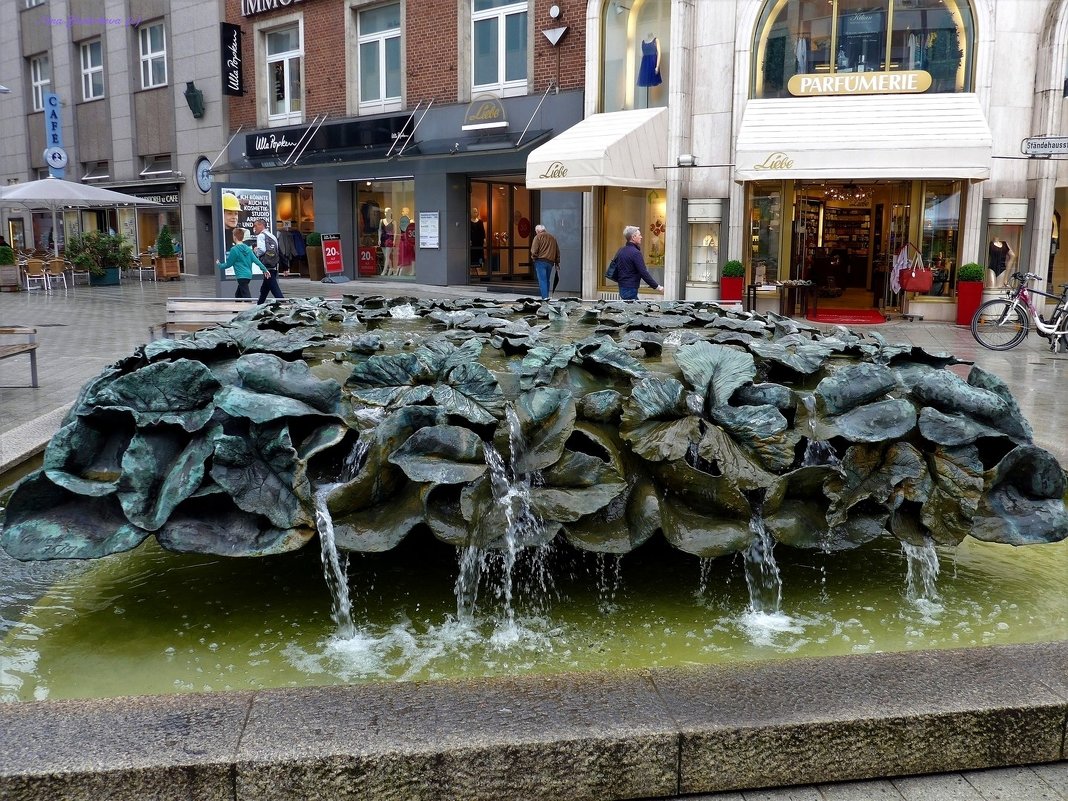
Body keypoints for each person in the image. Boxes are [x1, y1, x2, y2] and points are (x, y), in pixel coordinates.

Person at [613, 225, 663, 301]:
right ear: (633, 237)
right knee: (635, 310)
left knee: (633, 309)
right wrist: (657, 287)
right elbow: (643, 272)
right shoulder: (635, 253)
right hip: (630, 289)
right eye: (639, 235)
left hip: (622, 287)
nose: (641, 237)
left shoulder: (621, 250)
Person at [216, 227, 265, 299]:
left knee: (246, 295)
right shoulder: (248, 249)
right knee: (238, 295)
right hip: (248, 275)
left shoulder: (234, 249)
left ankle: (250, 309)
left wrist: (219, 265)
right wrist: (265, 270)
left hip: (241, 275)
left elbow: (229, 264)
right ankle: (235, 310)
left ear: (234, 237)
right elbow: (256, 261)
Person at [252, 219, 284, 303]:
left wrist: (255, 250)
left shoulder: (261, 236)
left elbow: (261, 250)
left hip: (266, 264)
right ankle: (260, 304)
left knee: (273, 286)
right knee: (265, 287)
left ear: (261, 225)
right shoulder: (272, 236)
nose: (254, 228)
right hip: (273, 263)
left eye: (255, 226)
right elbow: (278, 250)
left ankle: (282, 302)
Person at [529, 224, 560, 300]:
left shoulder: (538, 237)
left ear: (538, 231)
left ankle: (545, 298)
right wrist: (557, 262)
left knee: (542, 280)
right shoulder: (553, 238)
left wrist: (533, 258)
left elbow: (534, 250)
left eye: (536, 231)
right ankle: (546, 296)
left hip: (540, 261)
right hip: (550, 262)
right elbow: (557, 251)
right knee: (547, 280)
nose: (536, 233)